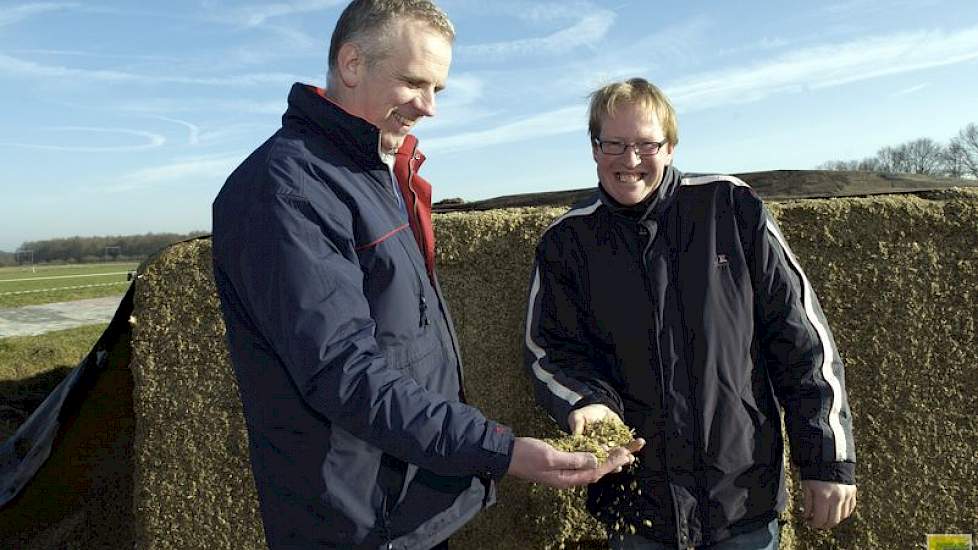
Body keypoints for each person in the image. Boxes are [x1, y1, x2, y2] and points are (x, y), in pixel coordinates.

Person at [211, 1, 642, 548]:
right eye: (414, 83)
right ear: (351, 64)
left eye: (438, 88)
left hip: (405, 502)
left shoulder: (372, 172)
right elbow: (344, 373)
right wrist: (501, 450)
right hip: (354, 520)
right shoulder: (287, 190)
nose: (429, 107)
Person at [523, 78, 857, 549]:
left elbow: (802, 340)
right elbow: (549, 351)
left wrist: (827, 462)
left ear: (671, 146)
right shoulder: (567, 241)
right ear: (594, 148)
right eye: (614, 144)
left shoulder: (731, 207)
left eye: (645, 144)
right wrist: (586, 402)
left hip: (742, 502)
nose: (630, 160)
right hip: (636, 508)